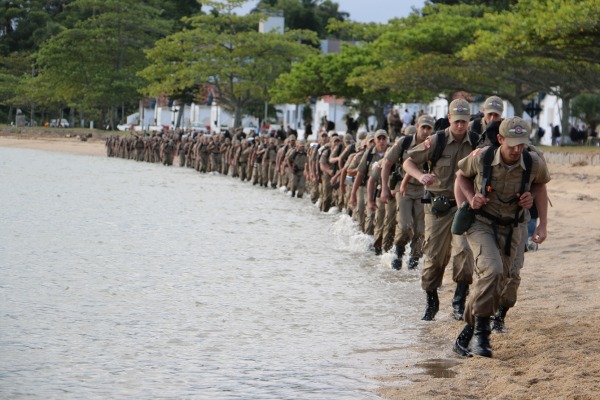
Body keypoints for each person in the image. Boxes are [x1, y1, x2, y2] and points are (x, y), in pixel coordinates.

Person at [452, 116, 550, 358]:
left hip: (513, 226)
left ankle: (468, 329)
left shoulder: (533, 160)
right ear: (500, 139)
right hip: (481, 223)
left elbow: (540, 184)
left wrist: (541, 222)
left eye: (522, 144)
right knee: (492, 270)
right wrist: (468, 201)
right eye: (512, 144)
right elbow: (461, 177)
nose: (517, 150)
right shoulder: (482, 157)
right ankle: (483, 334)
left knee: (502, 279)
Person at [402, 99, 476, 321]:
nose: (461, 126)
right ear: (450, 119)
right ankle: (431, 301)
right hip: (438, 208)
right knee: (434, 258)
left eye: (464, 121)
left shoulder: (476, 143)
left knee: (464, 252)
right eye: (457, 121)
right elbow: (408, 161)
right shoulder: (437, 140)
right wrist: (420, 176)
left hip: (463, 207)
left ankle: (459, 300)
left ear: (469, 121)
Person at [380, 115, 434, 270]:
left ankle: (414, 260)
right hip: (403, 188)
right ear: (417, 127)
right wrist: (384, 188)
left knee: (421, 230)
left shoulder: (433, 144)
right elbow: (387, 164)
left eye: (428, 128)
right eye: (423, 127)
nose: (425, 131)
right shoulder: (404, 143)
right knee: (404, 225)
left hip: (423, 190)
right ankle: (398, 250)